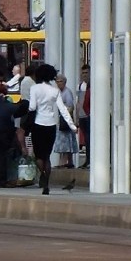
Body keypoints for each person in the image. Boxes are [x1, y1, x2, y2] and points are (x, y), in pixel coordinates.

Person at [28, 64, 77, 195]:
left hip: (38, 124)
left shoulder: (35, 88)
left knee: (38, 155)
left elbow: (32, 107)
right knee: (47, 156)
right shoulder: (55, 91)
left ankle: (42, 175)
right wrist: (72, 126)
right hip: (51, 125)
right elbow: (63, 110)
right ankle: (47, 182)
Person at [52, 74, 78, 169]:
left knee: (66, 141)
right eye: (57, 82)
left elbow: (71, 107)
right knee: (63, 141)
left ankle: (65, 161)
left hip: (65, 120)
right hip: (61, 118)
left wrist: (66, 116)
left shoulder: (67, 92)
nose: (59, 84)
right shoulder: (58, 92)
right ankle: (66, 161)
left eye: (60, 82)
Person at [16, 65, 36, 156]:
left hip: (24, 105)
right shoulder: (31, 82)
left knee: (22, 129)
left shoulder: (23, 80)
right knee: (26, 130)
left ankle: (23, 148)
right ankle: (26, 150)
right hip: (29, 107)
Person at [76, 64, 90, 168]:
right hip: (82, 116)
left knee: (90, 139)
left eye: (86, 73)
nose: (84, 75)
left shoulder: (92, 86)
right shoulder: (80, 86)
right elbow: (78, 102)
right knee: (85, 139)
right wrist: (76, 116)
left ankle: (90, 159)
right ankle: (87, 159)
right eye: (83, 73)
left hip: (89, 115)